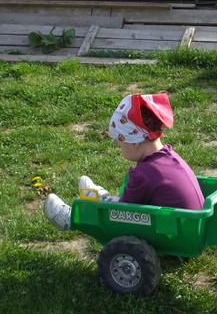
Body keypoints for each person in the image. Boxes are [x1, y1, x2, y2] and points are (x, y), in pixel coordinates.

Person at [44, 92, 204, 230]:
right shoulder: (170, 156)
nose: (120, 150)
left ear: (134, 142)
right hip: (190, 226)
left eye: (120, 145)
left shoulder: (143, 174)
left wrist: (109, 207)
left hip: (171, 232)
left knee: (115, 214)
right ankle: (101, 198)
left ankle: (70, 218)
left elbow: (123, 212)